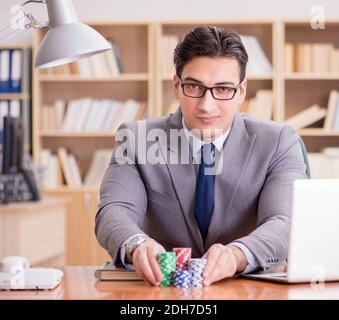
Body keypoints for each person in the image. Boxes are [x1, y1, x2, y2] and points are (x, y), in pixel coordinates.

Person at [95, 26, 308, 286]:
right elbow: (114, 211)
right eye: (194, 87)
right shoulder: (137, 139)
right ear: (176, 86)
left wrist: (237, 254)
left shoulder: (278, 141)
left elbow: (285, 221)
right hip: (162, 291)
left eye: (223, 89)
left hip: (248, 288)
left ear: (241, 92)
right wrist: (137, 244)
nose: (207, 105)